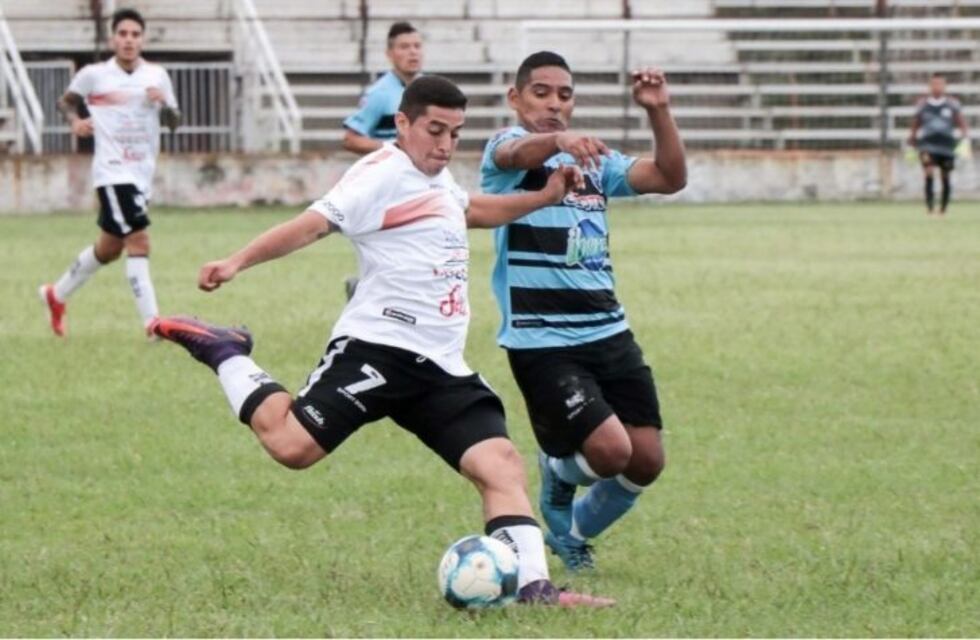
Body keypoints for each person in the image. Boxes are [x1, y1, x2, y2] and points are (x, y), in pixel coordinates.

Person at [150, 76, 611, 608]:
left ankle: (535, 590)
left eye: (455, 134)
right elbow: (311, 226)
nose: (443, 145)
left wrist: (543, 197)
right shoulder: (378, 174)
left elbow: (469, 211)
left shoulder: (436, 178)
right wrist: (236, 262)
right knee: (291, 447)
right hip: (378, 350)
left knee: (500, 464)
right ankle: (224, 349)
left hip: (439, 365)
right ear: (403, 123)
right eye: (434, 130)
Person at [480, 51, 687, 571]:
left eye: (564, 95)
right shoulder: (507, 153)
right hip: (543, 339)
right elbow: (513, 154)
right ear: (516, 98)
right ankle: (557, 471)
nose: (554, 104)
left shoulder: (595, 162)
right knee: (610, 453)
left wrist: (658, 110)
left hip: (609, 332)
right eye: (541, 93)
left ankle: (571, 536)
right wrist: (557, 142)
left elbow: (669, 177)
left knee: (646, 461)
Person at [38, 8, 180, 337]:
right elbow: (66, 102)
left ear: (142, 39)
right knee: (139, 240)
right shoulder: (94, 75)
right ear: (112, 39)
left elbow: (175, 122)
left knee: (110, 247)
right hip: (112, 171)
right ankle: (153, 324)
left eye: (135, 34)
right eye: (123, 34)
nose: (129, 40)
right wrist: (75, 121)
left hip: (141, 173)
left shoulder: (156, 76)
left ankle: (56, 295)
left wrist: (166, 106)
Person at [340, 21, 423, 299]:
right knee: (392, 250)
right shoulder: (380, 93)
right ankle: (364, 291)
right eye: (404, 47)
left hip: (417, 185)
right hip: (387, 188)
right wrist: (393, 149)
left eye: (416, 46)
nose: (412, 52)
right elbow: (351, 138)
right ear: (390, 54)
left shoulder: (427, 90)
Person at [908, 73, 969, 216]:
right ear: (930, 86)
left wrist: (965, 139)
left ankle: (943, 209)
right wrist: (911, 141)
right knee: (928, 172)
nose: (937, 87)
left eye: (940, 84)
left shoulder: (952, 104)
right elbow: (916, 124)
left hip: (947, 145)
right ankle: (930, 208)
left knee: (945, 176)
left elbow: (961, 122)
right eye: (934, 84)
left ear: (944, 86)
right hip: (927, 145)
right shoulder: (923, 104)